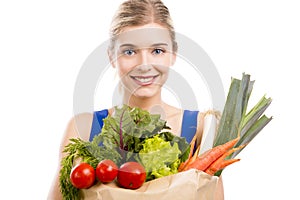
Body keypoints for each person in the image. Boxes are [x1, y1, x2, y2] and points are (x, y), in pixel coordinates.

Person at [48, 0, 224, 199]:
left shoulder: (201, 127)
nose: (144, 65)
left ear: (173, 54)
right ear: (112, 56)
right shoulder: (84, 127)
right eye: (129, 51)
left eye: (157, 51)